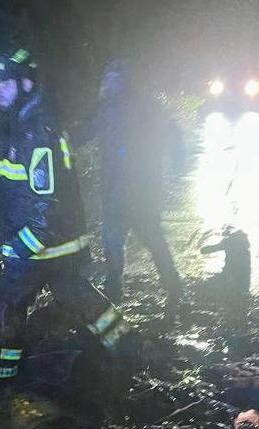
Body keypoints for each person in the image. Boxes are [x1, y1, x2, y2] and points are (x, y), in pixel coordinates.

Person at [0, 50, 133, 383]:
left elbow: (45, 202)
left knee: (5, 302)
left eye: (5, 83)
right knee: (75, 292)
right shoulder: (26, 123)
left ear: (26, 83)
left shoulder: (33, 132)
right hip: (62, 243)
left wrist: (22, 245)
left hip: (42, 244)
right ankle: (128, 346)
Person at [79, 60, 183, 315]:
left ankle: (166, 288)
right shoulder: (118, 107)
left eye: (112, 79)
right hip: (128, 190)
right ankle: (123, 288)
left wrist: (178, 164)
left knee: (140, 239)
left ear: (122, 81)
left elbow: (171, 134)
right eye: (107, 79)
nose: (107, 84)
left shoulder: (116, 108)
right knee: (119, 241)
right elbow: (84, 133)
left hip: (132, 191)